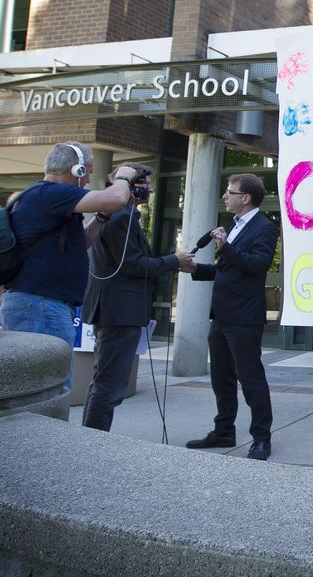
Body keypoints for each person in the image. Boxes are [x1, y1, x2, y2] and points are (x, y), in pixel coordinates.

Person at [0, 142, 139, 387]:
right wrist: (125, 177)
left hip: (41, 304)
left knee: (49, 388)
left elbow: (81, 242)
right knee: (48, 389)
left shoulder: (44, 198)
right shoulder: (51, 193)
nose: (87, 181)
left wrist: (100, 218)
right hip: (41, 305)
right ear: (76, 170)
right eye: (88, 173)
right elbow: (116, 198)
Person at [80, 165, 192, 432]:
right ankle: (93, 443)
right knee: (109, 385)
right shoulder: (120, 217)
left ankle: (89, 439)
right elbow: (132, 264)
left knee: (103, 382)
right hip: (119, 311)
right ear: (132, 187)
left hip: (115, 310)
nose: (151, 191)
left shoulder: (118, 215)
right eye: (146, 185)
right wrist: (173, 261)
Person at [183, 174, 278, 461]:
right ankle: (224, 430)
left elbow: (258, 265)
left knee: (251, 380)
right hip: (222, 317)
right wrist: (195, 270)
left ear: (245, 198)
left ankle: (261, 438)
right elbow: (228, 271)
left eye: (230, 192)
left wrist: (227, 247)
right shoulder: (235, 228)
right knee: (220, 379)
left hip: (245, 318)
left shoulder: (265, 227)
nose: (225, 196)